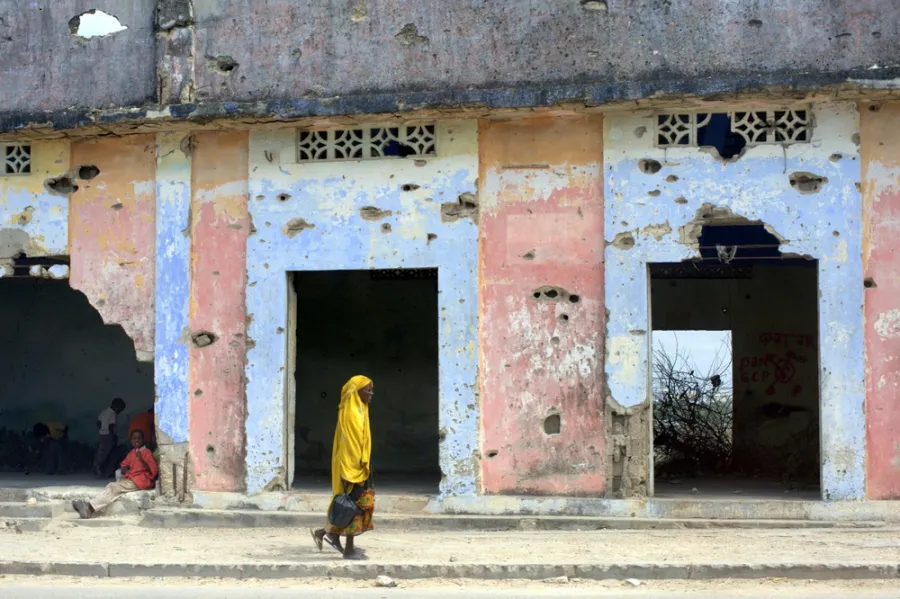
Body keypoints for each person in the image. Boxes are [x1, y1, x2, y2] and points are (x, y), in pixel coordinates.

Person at [312, 375, 375, 560]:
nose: (371, 393)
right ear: (356, 392)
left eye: (372, 389)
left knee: (351, 506)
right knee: (353, 508)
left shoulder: (361, 409)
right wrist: (349, 472)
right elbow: (349, 446)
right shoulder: (351, 413)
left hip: (358, 468)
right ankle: (348, 550)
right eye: (367, 390)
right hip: (351, 469)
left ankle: (324, 533)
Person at [73, 429, 157, 519]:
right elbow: (124, 464)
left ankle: (90, 508)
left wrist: (141, 460)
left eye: (139, 438)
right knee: (114, 486)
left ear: (143, 439)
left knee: (113, 487)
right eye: (134, 438)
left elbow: (154, 471)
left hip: (141, 480)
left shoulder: (147, 452)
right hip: (132, 478)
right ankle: (90, 507)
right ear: (131, 441)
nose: (137, 440)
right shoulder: (133, 452)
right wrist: (125, 469)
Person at [93, 398, 126, 478]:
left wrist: (102, 429)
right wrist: (113, 437)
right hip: (109, 436)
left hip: (102, 434)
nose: (119, 412)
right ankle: (100, 469)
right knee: (108, 453)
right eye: (120, 410)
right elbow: (111, 426)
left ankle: (97, 467)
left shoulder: (103, 412)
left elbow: (98, 422)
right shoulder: (113, 414)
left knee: (101, 452)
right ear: (116, 407)